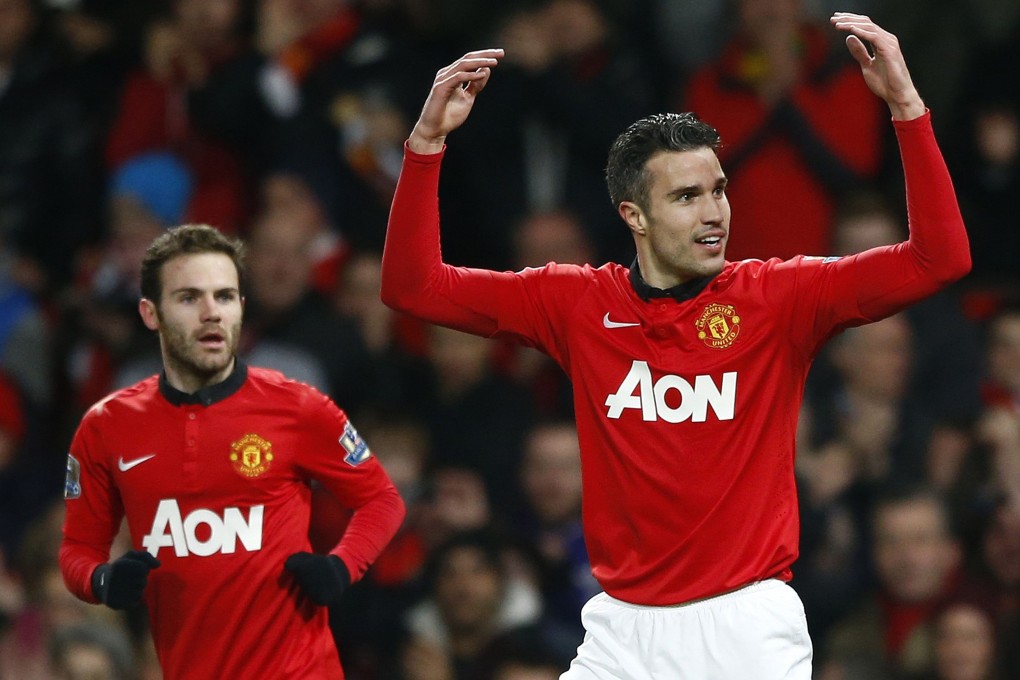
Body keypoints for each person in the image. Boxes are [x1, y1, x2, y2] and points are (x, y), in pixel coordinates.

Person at [380, 11, 971, 679]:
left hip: (745, 629)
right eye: (687, 196)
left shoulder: (779, 298)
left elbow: (938, 259)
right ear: (634, 215)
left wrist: (906, 108)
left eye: (718, 190)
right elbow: (414, 287)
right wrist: (425, 144)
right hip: (621, 631)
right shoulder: (578, 303)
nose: (714, 211)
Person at [58, 224, 406, 679]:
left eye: (224, 297)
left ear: (241, 307)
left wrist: (341, 567)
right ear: (151, 313)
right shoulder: (105, 427)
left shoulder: (298, 407)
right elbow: (77, 549)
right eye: (188, 298)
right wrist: (101, 581)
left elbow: (382, 499)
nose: (211, 313)